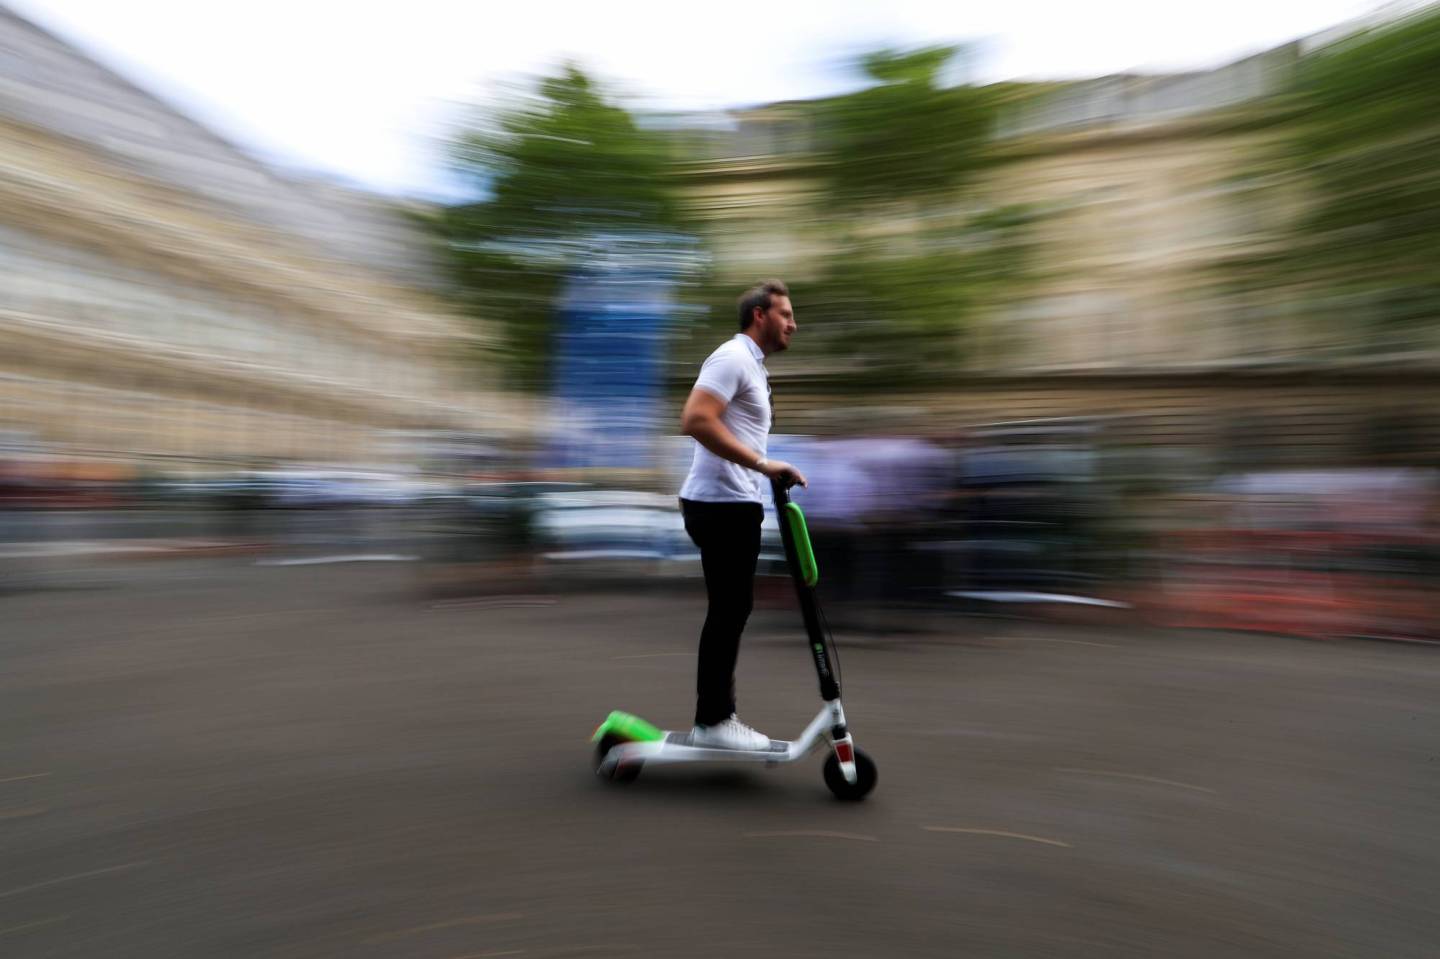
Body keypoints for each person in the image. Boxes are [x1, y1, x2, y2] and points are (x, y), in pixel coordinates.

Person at [678, 280, 808, 749]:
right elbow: (695, 419)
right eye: (786, 314)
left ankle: (713, 718)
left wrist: (763, 474)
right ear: (760, 315)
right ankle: (714, 721)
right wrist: (760, 464)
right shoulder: (732, 358)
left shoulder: (751, 366)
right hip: (719, 505)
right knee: (730, 609)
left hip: (734, 503)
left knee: (732, 608)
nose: (794, 323)